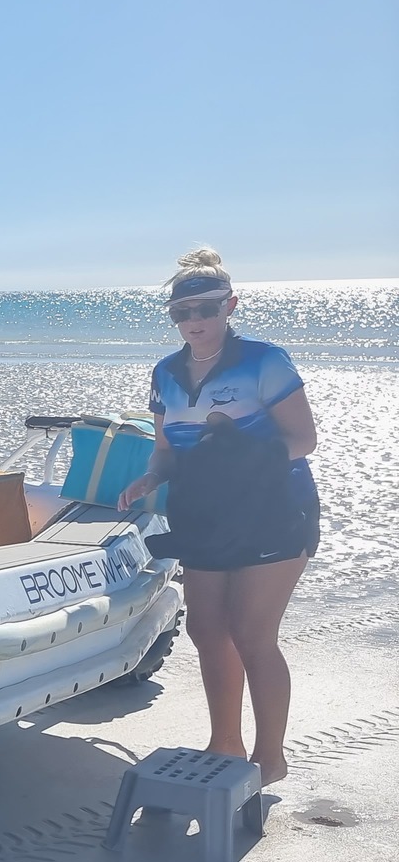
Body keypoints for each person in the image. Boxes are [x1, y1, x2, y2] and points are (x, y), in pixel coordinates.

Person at [122, 248, 320, 784]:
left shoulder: (265, 360)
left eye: (206, 309)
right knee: (207, 630)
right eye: (182, 312)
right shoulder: (165, 373)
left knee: (252, 634)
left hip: (274, 511)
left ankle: (270, 758)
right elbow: (166, 450)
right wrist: (150, 478)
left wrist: (243, 455)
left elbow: (304, 439)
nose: (194, 321)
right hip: (204, 514)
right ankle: (225, 744)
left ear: (229, 306)